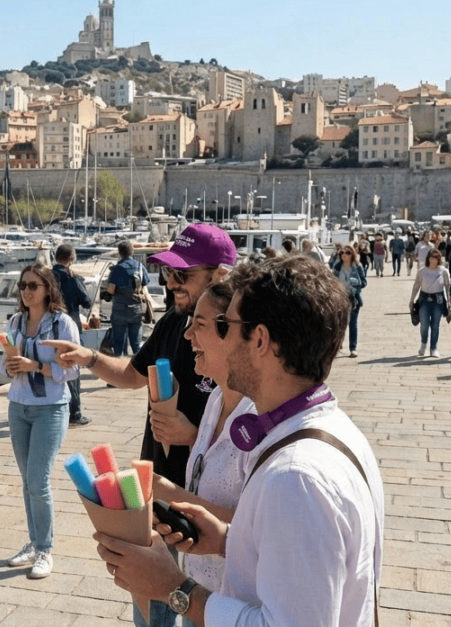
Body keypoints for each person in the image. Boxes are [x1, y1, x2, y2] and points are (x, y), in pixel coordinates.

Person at [95, 255, 384, 627]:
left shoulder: (297, 478)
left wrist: (173, 587)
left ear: (260, 339)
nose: (203, 337)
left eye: (226, 326)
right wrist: (229, 542)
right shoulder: (332, 430)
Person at [45, 222, 236, 627]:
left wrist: (193, 433)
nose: (172, 282)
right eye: (168, 272)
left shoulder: (238, 346)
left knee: (192, 606)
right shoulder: (171, 323)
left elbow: (245, 422)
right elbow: (133, 374)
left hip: (204, 510)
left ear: (219, 275)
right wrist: (89, 358)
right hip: (155, 495)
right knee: (150, 613)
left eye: (183, 274)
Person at [150, 281, 255, 610]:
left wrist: (170, 494)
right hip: (198, 585)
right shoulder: (214, 399)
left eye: (200, 324)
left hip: (235, 600)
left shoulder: (260, 418)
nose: (187, 334)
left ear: (233, 334)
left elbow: (256, 526)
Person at [0, 264, 79, 579]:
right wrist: (10, 367)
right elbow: (3, 367)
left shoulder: (62, 325)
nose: (26, 291)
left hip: (50, 408)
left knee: (38, 480)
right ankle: (34, 543)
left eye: (33, 285)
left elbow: (72, 370)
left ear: (48, 288)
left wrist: (36, 365)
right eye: (22, 285)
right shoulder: (15, 322)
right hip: (18, 406)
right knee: (27, 481)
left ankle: (45, 549)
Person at [52, 243, 92, 426]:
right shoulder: (71, 277)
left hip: (50, 327)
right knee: (72, 369)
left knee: (52, 367)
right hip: (71, 327)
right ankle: (74, 413)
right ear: (71, 258)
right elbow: (86, 301)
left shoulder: (46, 276)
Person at [106, 240, 149, 357]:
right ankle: (139, 369)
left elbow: (110, 289)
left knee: (118, 343)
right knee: (136, 344)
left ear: (120, 253)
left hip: (120, 310)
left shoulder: (117, 269)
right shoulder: (140, 267)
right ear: (132, 251)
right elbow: (144, 287)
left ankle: (119, 368)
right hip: (136, 310)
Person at [410, 248, 451, 358]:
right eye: (431, 258)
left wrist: (449, 302)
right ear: (428, 258)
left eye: (436, 258)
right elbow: (416, 286)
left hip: (438, 301)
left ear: (439, 259)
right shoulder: (422, 271)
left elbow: (447, 287)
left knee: (435, 325)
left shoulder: (443, 271)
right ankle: (423, 343)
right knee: (424, 324)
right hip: (424, 301)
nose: (433, 261)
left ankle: (433, 348)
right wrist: (412, 299)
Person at [331, 243, 367, 358]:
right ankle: (338, 345)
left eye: (347, 252)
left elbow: (364, 282)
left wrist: (355, 284)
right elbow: (332, 281)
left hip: (353, 298)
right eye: (342, 253)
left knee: (352, 323)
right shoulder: (337, 266)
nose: (344, 255)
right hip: (340, 297)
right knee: (340, 323)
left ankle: (353, 348)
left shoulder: (357, 266)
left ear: (352, 254)